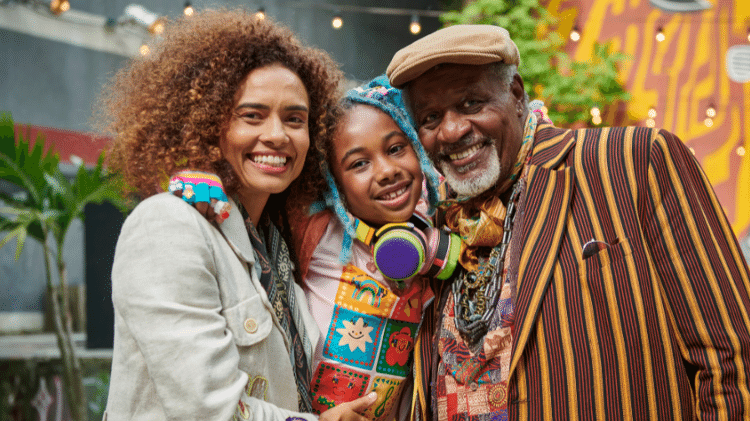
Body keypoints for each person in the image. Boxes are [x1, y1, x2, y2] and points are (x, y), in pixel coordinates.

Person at [385, 24, 750, 420]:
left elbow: (731, 360)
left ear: (517, 94)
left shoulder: (632, 161)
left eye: (472, 103)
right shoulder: (437, 226)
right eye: (430, 117)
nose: (451, 130)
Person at [99, 9, 376, 421]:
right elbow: (206, 408)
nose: (278, 135)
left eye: (294, 119)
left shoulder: (275, 246)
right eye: (253, 115)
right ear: (210, 123)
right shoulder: (168, 225)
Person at [168, 75, 462, 421]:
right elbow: (255, 186)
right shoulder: (317, 226)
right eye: (359, 164)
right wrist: (201, 179)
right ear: (333, 183)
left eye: (396, 148)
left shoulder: (436, 222)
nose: (387, 170)